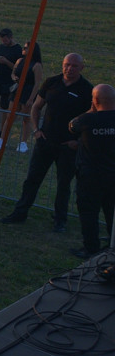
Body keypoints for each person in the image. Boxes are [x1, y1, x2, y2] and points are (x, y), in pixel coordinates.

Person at [1, 53, 92, 232]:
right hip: (45, 141)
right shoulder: (52, 82)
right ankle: (20, 213)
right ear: (62, 64)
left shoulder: (87, 89)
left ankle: (60, 220)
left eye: (74, 66)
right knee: (32, 179)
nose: (69, 69)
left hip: (68, 146)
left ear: (81, 67)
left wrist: (79, 141)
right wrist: (36, 130)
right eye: (67, 65)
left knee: (64, 184)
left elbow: (91, 119)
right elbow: (36, 107)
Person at [68, 84, 115, 259]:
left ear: (95, 100)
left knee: (88, 213)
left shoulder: (88, 120)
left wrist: (90, 110)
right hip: (113, 175)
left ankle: (91, 248)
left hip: (90, 175)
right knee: (112, 213)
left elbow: (72, 126)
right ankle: (112, 246)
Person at [5, 42, 44, 153]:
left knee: (26, 118)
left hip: (28, 92)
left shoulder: (37, 65)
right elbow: (13, 73)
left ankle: (23, 143)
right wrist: (15, 77)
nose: (23, 49)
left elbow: (37, 83)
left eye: (26, 48)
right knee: (10, 116)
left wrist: (31, 99)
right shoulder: (20, 61)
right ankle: (3, 139)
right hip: (17, 90)